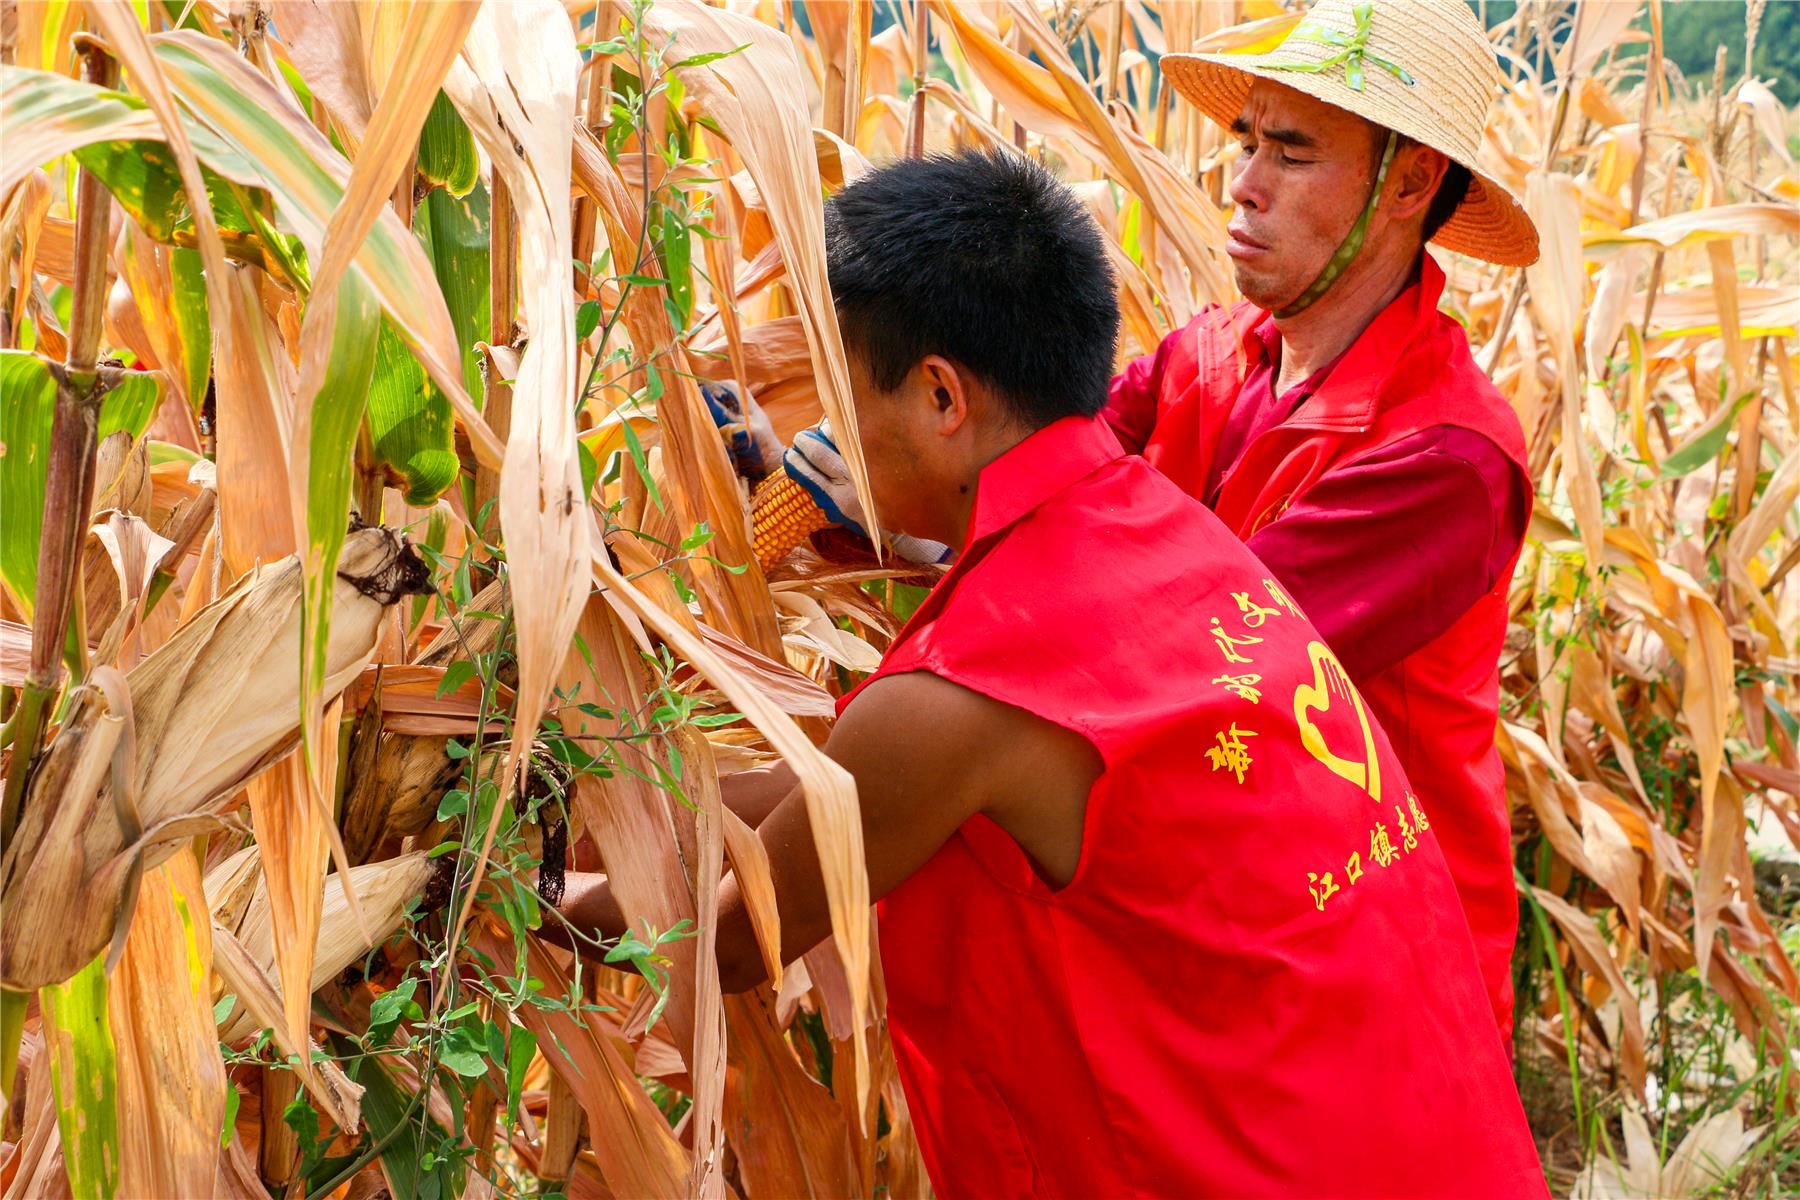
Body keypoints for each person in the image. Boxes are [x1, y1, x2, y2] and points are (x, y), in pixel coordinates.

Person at [561, 150, 1543, 1197]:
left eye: (837, 395)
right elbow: (838, 787)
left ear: (942, 395)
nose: (825, 434)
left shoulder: (959, 699)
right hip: (1407, 1130)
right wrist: (596, 798)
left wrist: (501, 876)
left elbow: (721, 943)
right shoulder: (1172, 533)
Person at [731, 0, 1538, 1039]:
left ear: (1412, 183)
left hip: (1370, 953)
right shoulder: (1211, 355)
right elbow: (1021, 488)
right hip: (1221, 915)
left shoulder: (1444, 458)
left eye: (1291, 153)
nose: (1242, 183)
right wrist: (848, 486)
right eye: (1246, 142)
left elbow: (1183, 662)